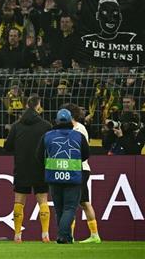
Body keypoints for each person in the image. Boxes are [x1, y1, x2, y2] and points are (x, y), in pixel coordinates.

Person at [3, 95, 52, 243]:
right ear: (38, 107)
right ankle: (45, 234)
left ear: (26, 106)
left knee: (19, 201)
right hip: (40, 167)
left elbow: (7, 146)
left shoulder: (17, 125)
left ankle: (17, 235)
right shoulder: (46, 126)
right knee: (42, 200)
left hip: (22, 167)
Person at [38, 108, 89, 244]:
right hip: (73, 177)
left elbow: (38, 156)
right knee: (70, 208)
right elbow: (85, 155)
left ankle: (66, 237)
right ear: (71, 120)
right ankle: (62, 235)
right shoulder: (79, 136)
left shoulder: (47, 136)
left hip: (53, 177)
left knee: (59, 209)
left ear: (56, 120)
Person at [64, 103, 102, 243]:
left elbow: (80, 150)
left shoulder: (79, 129)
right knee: (81, 202)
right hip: (74, 168)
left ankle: (88, 235)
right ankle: (90, 235)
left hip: (79, 168)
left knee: (77, 202)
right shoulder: (71, 128)